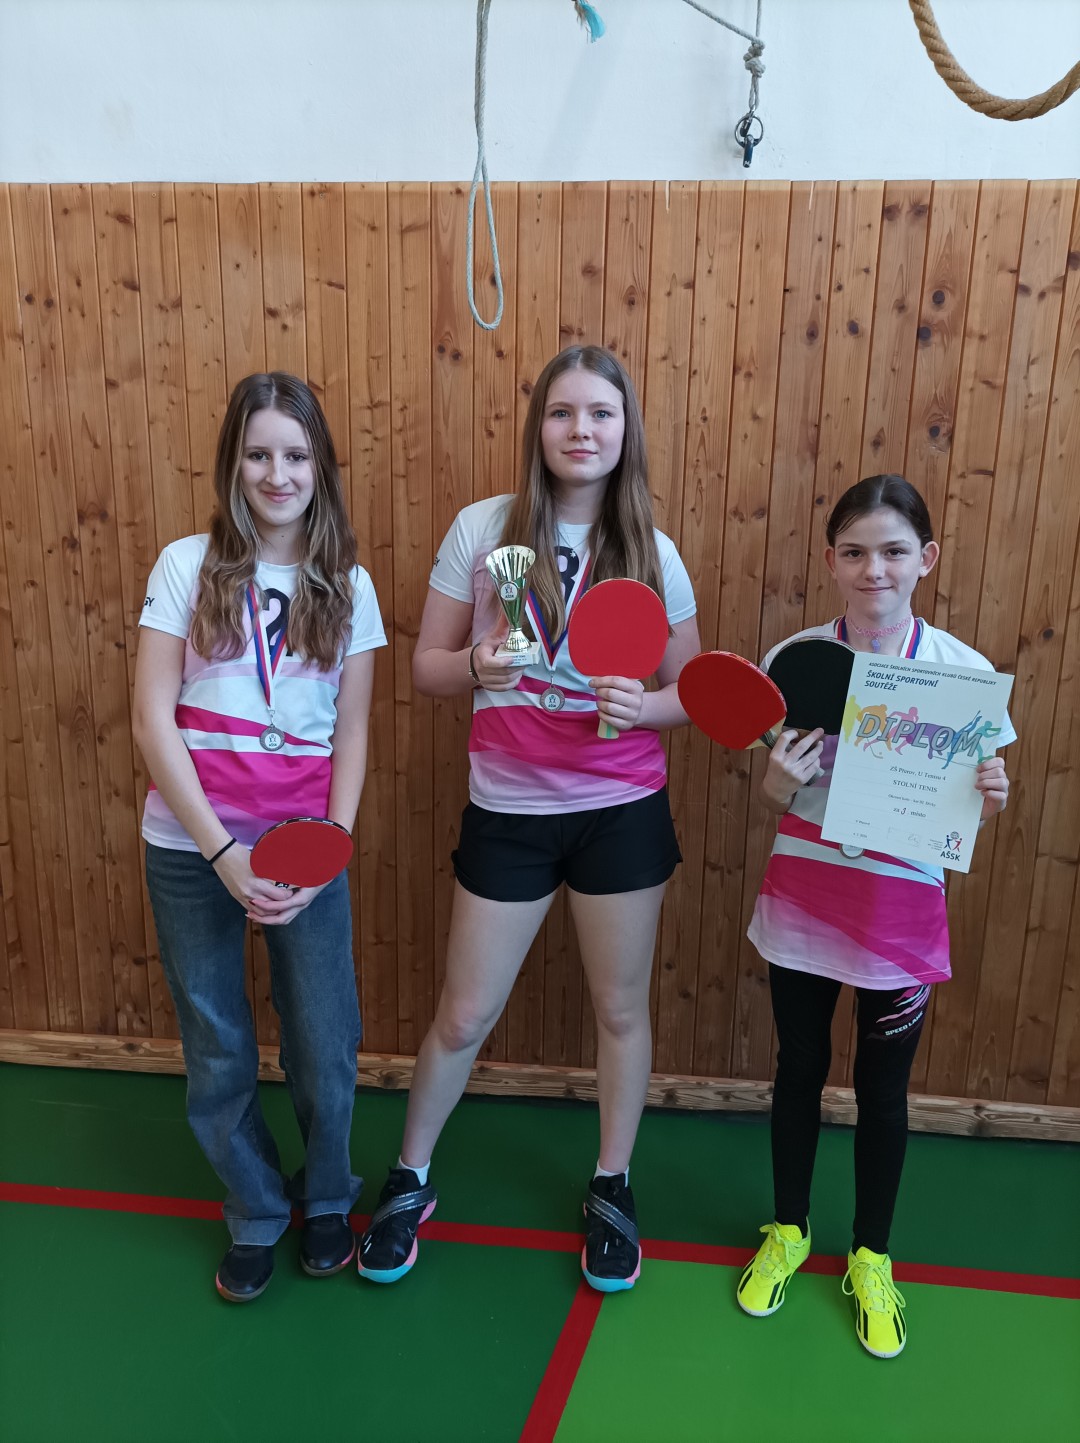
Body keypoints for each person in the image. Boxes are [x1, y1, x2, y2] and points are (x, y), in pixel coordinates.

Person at [357, 345, 699, 1293]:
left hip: (619, 810)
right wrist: (476, 665)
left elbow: (692, 689)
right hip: (507, 810)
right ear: (538, 425)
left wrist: (645, 706)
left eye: (600, 413)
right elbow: (424, 666)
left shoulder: (652, 548)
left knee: (619, 1009)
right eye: (562, 412)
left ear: (625, 429)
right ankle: (410, 1175)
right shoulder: (483, 529)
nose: (581, 430)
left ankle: (612, 1185)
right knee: (463, 1012)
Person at [735, 474, 1013, 1357]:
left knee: (884, 1091)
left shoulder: (964, 675)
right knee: (799, 1067)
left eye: (893, 551)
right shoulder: (795, 656)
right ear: (831, 560)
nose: (874, 569)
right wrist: (773, 784)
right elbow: (774, 788)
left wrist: (992, 791)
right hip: (804, 900)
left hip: (900, 912)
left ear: (926, 558)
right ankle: (788, 1229)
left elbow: (973, 801)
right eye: (854, 552)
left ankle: (871, 1256)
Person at [133, 372, 385, 1302]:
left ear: (320, 466)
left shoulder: (348, 584)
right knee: (217, 1040)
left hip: (305, 849)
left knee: (324, 1038)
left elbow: (352, 730)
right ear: (232, 464)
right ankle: (255, 1208)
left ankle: (327, 1196)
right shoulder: (184, 565)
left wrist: (329, 849)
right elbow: (154, 720)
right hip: (191, 847)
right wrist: (222, 853)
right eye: (258, 454)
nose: (278, 474)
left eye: (295, 454)